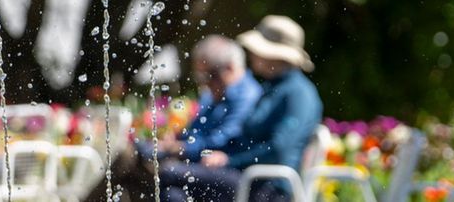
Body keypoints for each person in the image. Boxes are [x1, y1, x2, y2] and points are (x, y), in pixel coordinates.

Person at [158, 16, 323, 202]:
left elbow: (278, 149)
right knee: (174, 195)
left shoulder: (298, 93)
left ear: (273, 55)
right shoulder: (272, 88)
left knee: (169, 173)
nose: (251, 54)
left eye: (256, 50)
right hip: (246, 177)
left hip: (268, 186)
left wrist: (229, 160)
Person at [117, 36, 262, 201]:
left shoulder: (248, 96)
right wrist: (175, 137)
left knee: (166, 172)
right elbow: (193, 131)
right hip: (195, 165)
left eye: (209, 76)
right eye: (200, 77)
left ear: (229, 68)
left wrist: (180, 148)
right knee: (162, 187)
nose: (204, 83)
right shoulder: (212, 95)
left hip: (225, 170)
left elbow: (222, 140)